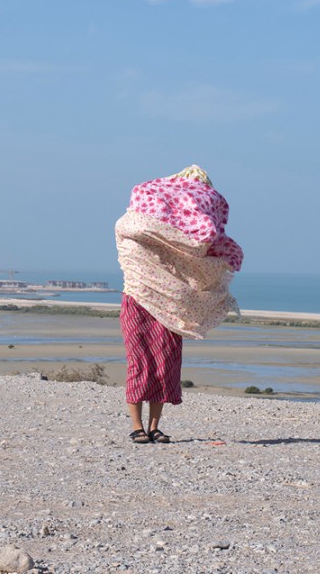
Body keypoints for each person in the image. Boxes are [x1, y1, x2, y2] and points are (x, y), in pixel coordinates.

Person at [115, 165, 243, 444]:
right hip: (138, 298)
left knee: (165, 364)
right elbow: (132, 240)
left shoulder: (172, 242)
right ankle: (137, 426)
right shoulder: (133, 225)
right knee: (140, 362)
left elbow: (195, 255)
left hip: (171, 304)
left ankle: (155, 426)